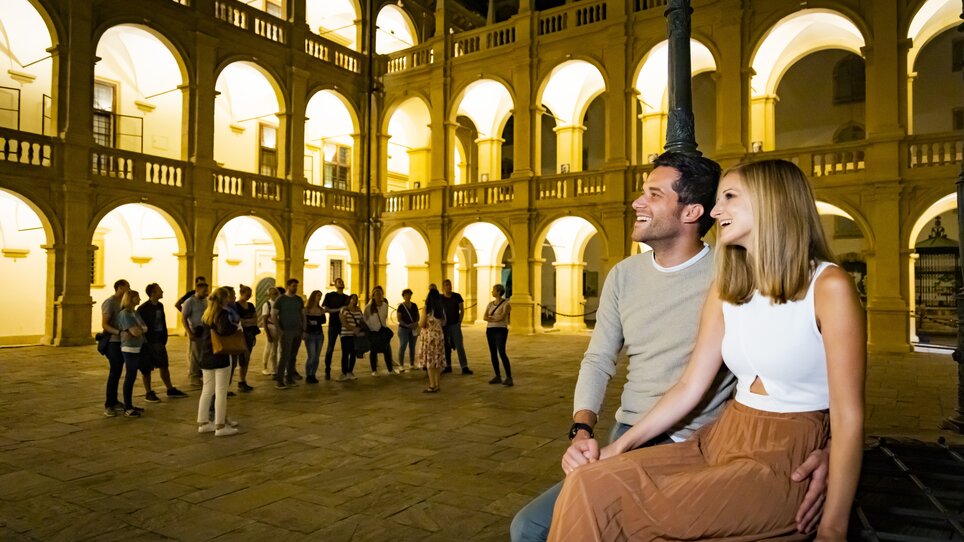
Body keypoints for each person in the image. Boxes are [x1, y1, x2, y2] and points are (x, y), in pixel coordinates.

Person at [511, 152, 830, 541]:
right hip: (631, 430)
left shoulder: (732, 274)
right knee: (530, 527)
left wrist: (828, 447)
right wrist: (582, 428)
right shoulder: (624, 276)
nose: (636, 202)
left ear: (691, 211)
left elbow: (805, 371)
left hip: (702, 436)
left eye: (654, 194)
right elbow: (597, 359)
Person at [196, 287, 240, 437]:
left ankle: (203, 422)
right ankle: (220, 425)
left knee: (207, 390)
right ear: (223, 299)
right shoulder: (222, 313)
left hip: (206, 355)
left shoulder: (207, 313)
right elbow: (224, 330)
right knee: (221, 391)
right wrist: (236, 327)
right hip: (220, 355)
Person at [136, 283, 188, 402]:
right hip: (149, 342)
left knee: (164, 365)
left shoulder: (160, 305)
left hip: (159, 341)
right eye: (159, 290)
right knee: (146, 368)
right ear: (153, 293)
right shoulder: (143, 309)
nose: (162, 291)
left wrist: (164, 337)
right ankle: (148, 392)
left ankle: (170, 388)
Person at [101, 279, 130, 417]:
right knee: (114, 371)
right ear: (120, 287)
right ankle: (109, 404)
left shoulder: (123, 302)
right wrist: (118, 332)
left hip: (122, 341)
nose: (129, 289)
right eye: (127, 287)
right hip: (113, 341)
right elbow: (105, 324)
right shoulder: (110, 302)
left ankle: (114, 400)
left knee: (118, 371)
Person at [116, 289, 147, 418]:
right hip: (128, 348)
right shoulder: (124, 314)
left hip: (137, 347)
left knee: (133, 376)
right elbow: (135, 332)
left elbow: (145, 327)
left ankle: (130, 404)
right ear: (131, 299)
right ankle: (127, 407)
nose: (139, 299)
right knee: (130, 377)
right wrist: (139, 329)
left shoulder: (135, 313)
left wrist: (139, 329)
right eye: (137, 297)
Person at [273, 278, 305, 389]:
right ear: (288, 286)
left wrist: (303, 327)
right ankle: (279, 380)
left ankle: (290, 378)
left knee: (293, 356)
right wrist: (279, 329)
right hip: (286, 331)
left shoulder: (298, 299)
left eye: (296, 286)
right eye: (293, 286)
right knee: (285, 355)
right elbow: (273, 315)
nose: (295, 288)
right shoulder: (281, 299)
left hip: (297, 330)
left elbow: (302, 314)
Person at [415, 288, 446, 393]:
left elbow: (422, 324)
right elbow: (444, 322)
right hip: (439, 337)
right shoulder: (441, 309)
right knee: (436, 362)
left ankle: (432, 385)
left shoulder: (426, 309)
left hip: (429, 338)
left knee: (430, 363)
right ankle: (437, 384)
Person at [440, 279, 472, 375]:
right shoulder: (440, 298)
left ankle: (464, 366)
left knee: (459, 345)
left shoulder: (457, 296)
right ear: (443, 287)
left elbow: (461, 310)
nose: (448, 287)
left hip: (455, 325)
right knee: (446, 346)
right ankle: (448, 366)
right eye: (446, 285)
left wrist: (460, 321)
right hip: (445, 326)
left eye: (449, 285)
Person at [181, 283, 209, 387]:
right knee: (195, 355)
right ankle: (194, 376)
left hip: (205, 330)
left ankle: (201, 374)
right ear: (198, 290)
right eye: (204, 291)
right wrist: (189, 332)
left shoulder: (205, 301)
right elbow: (183, 318)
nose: (206, 293)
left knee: (203, 354)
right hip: (195, 330)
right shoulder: (189, 302)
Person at [483, 284, 512, 387]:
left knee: (501, 352)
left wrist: (492, 318)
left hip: (501, 330)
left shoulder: (506, 304)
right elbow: (485, 317)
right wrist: (493, 318)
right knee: (493, 353)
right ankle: (497, 376)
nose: (492, 292)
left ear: (499, 292)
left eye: (494, 290)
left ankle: (509, 377)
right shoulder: (490, 304)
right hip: (490, 329)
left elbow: (502, 316)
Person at [363, 285, 396, 376]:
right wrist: (370, 328)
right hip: (373, 331)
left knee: (387, 350)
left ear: (382, 295)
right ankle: (374, 370)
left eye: (380, 294)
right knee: (373, 351)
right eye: (376, 294)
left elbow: (384, 317)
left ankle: (390, 369)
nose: (378, 296)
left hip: (382, 331)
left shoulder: (385, 305)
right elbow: (364, 319)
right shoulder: (368, 307)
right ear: (373, 296)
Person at [322, 277, 350, 380]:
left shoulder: (347, 298)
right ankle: (327, 370)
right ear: (335, 284)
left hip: (344, 326)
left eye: (342, 281)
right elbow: (326, 310)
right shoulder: (330, 296)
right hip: (333, 325)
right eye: (339, 281)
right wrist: (339, 309)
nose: (341, 282)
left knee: (345, 349)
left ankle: (345, 371)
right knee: (330, 348)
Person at [235, 285, 258, 392]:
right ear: (242, 293)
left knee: (247, 358)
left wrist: (246, 321)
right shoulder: (236, 306)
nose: (249, 297)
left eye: (250, 295)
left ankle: (242, 380)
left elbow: (255, 319)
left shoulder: (250, 305)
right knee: (242, 357)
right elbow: (238, 321)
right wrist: (247, 321)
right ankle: (239, 380)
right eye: (247, 295)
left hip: (250, 333)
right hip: (240, 334)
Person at [337, 294, 364, 381]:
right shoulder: (344, 309)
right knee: (345, 353)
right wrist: (354, 329)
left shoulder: (358, 310)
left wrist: (359, 329)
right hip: (346, 334)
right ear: (349, 299)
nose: (354, 300)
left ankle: (350, 371)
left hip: (355, 336)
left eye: (356, 299)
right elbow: (344, 323)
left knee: (353, 353)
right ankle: (344, 372)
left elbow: (362, 321)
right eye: (353, 298)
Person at [304, 290, 326, 384]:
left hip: (319, 334)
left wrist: (315, 321)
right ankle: (308, 374)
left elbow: (323, 321)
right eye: (318, 296)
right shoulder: (307, 309)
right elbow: (305, 322)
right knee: (311, 356)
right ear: (313, 297)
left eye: (320, 296)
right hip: (310, 335)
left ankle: (313, 374)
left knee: (317, 356)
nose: (320, 298)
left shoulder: (321, 309)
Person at [259, 285, 281, 376]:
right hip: (271, 327)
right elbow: (264, 319)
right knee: (271, 349)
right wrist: (267, 333)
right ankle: (270, 368)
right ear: (270, 295)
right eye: (274, 293)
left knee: (277, 349)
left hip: (279, 327)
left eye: (277, 293)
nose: (276, 295)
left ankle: (275, 368)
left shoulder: (279, 303)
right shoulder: (267, 304)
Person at [396, 288, 419, 372]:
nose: (408, 296)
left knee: (412, 347)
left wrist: (415, 323)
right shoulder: (401, 306)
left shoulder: (414, 305)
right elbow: (399, 318)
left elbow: (417, 315)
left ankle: (412, 364)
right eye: (406, 295)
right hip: (403, 329)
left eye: (409, 294)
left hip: (413, 328)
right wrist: (406, 325)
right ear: (403, 296)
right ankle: (401, 365)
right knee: (403, 345)